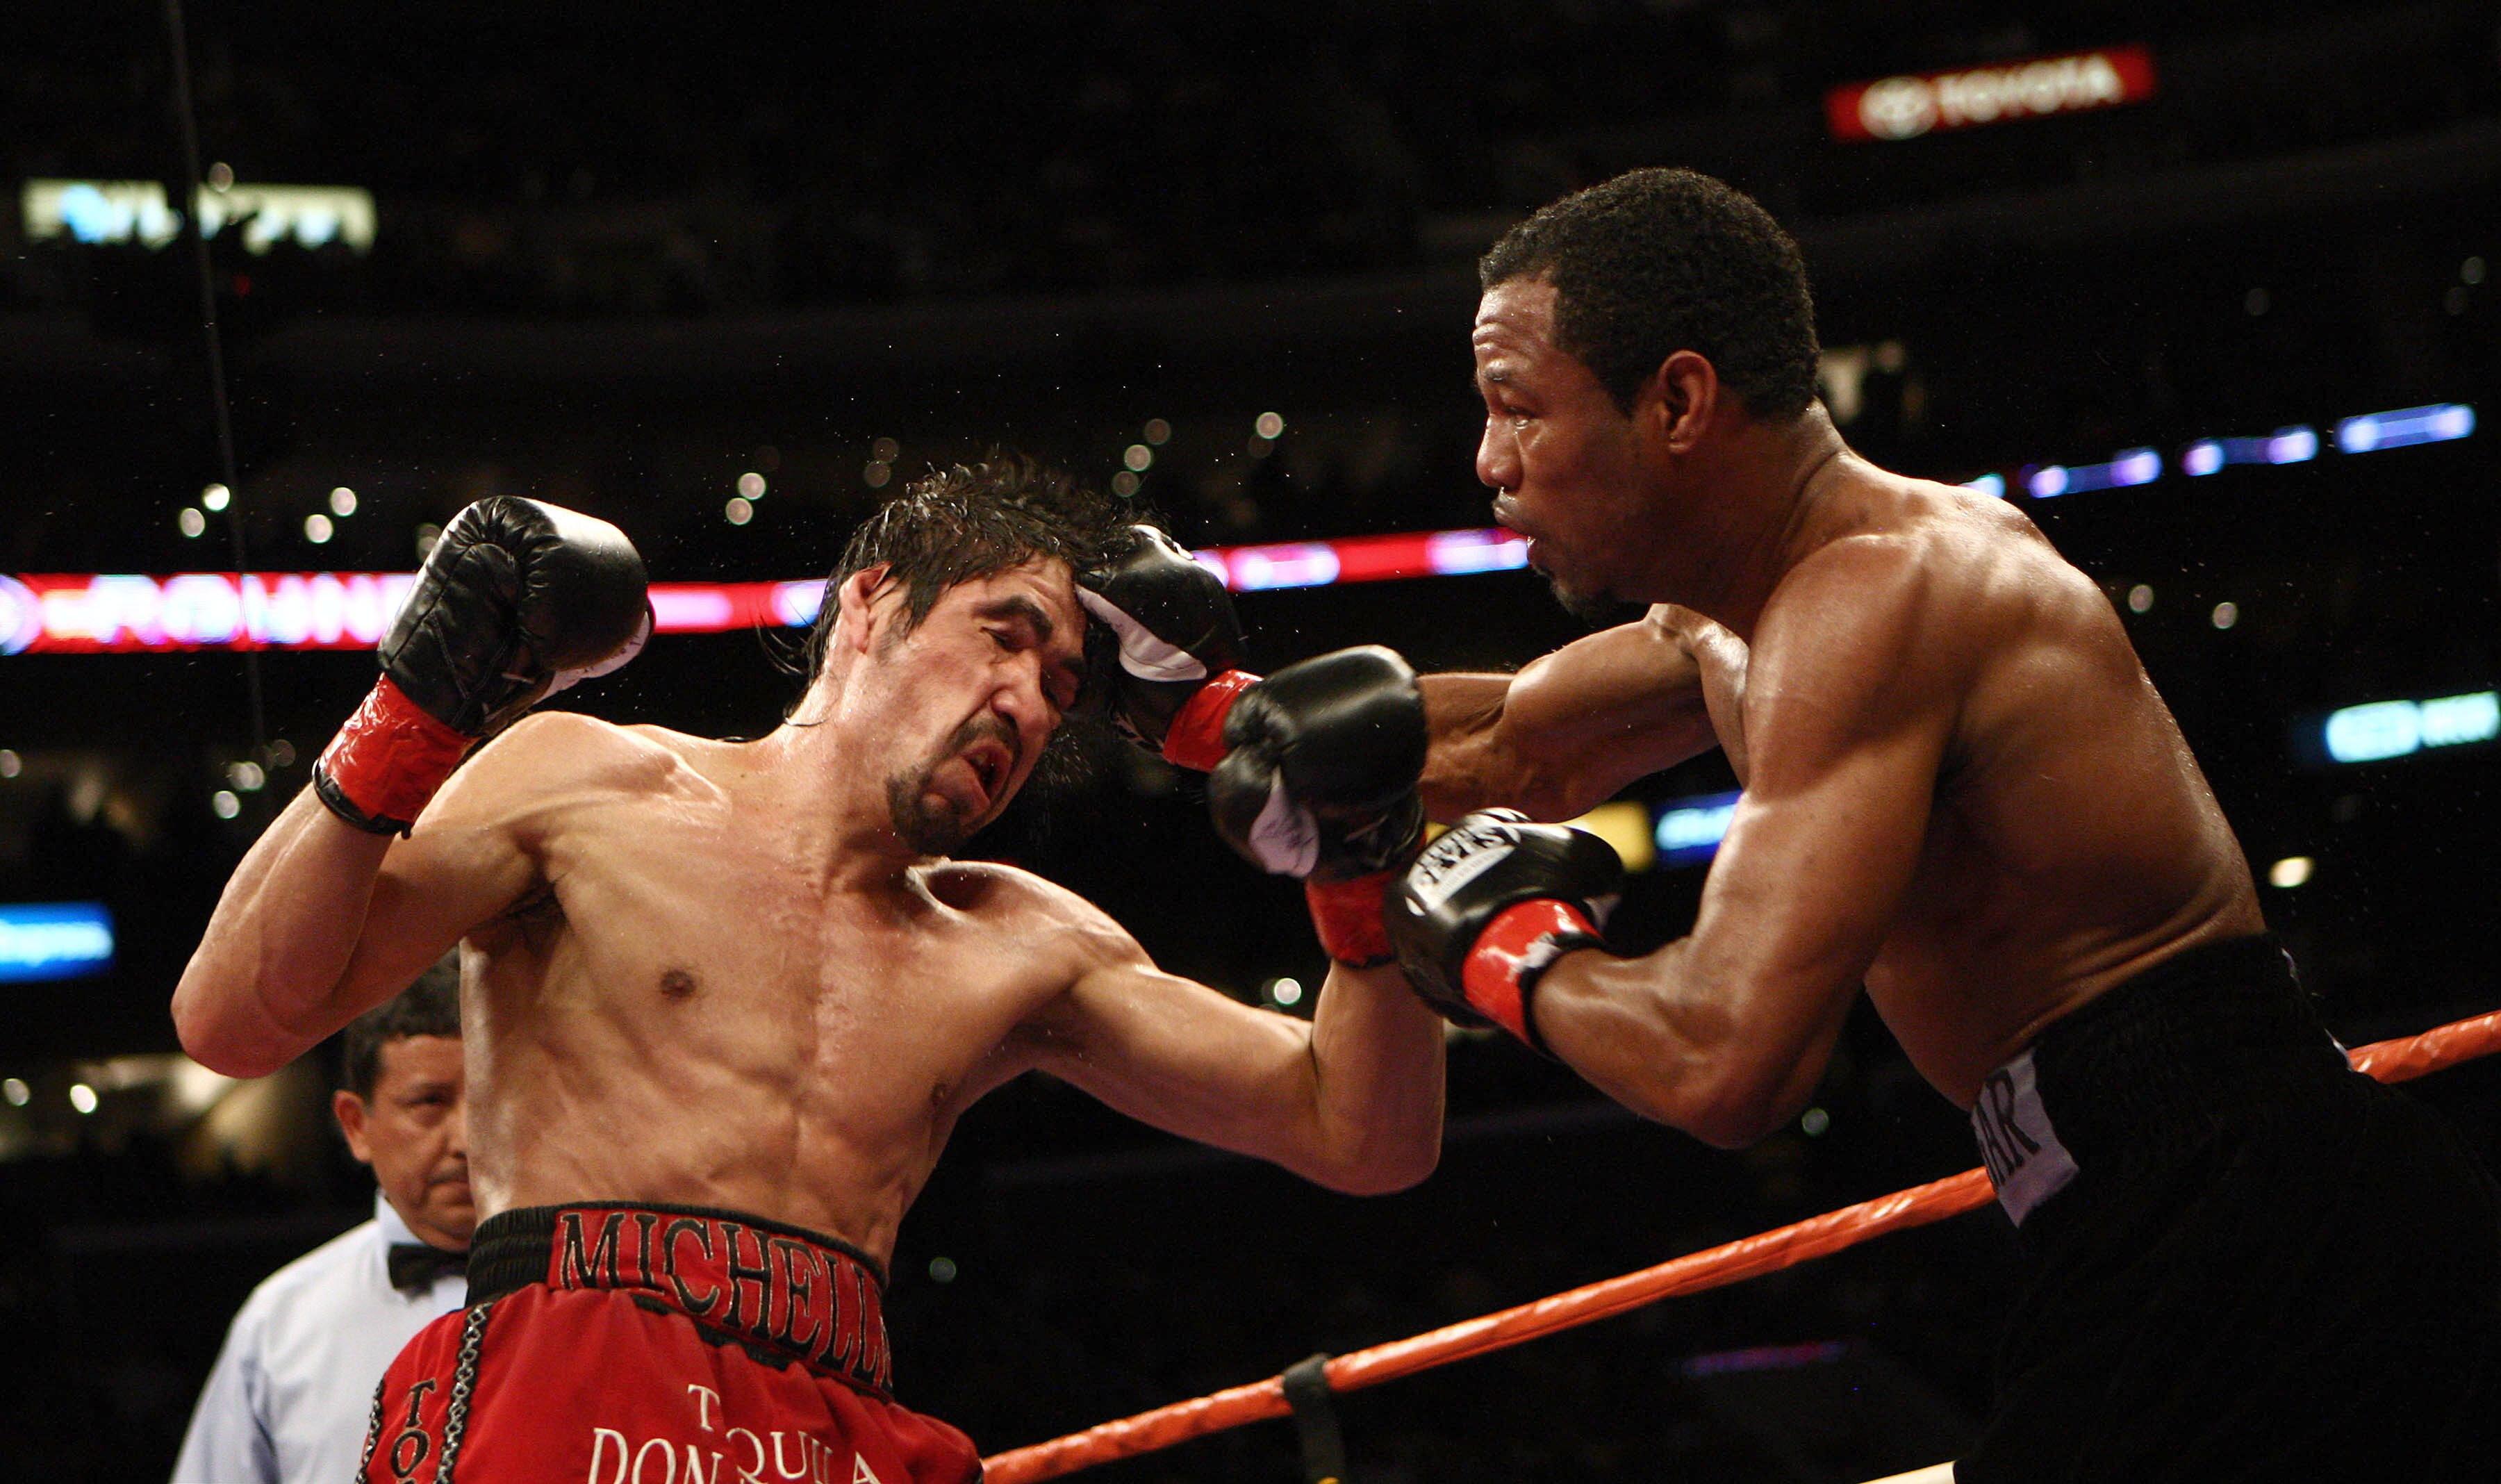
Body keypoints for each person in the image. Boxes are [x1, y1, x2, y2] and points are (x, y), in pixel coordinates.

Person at [1364, 167, 2499, 1479]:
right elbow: (1498, 749)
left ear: (1677, 403)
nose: (1488, 461)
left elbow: (1724, 1062)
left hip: (2249, 1222)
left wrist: (1505, 951)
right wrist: (1205, 717)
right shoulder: (1736, 623)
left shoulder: (1879, 597)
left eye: (1518, 407)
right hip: (2184, 1217)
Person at [170, 464, 1445, 1484]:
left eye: (1062, 685)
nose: (1027, 701)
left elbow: (1363, 1133)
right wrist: (415, 707)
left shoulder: (1020, 943)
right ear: (872, 603)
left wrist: (1360, 868)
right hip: (568, 1389)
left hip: (834, 1428)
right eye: (1002, 637)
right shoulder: (589, 787)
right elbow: (233, 1017)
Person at [172, 960, 473, 1484]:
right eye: (429, 1102)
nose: (468, 1139)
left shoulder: (602, 1289)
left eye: (492, 1099)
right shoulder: (282, 1322)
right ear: (356, 1125)